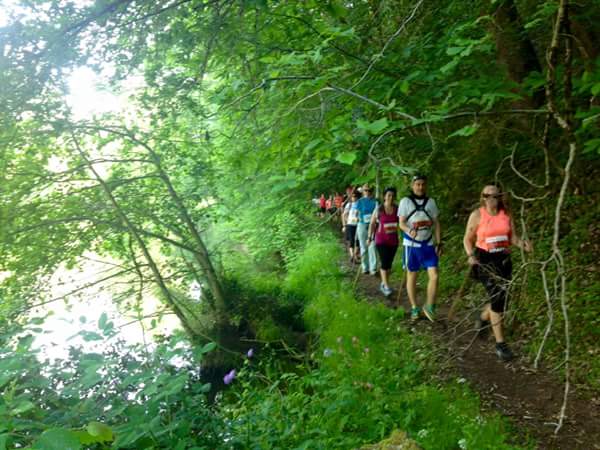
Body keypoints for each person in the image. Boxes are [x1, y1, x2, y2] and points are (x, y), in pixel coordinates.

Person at [463, 183, 532, 362]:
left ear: (500, 196)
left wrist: (523, 245)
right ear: (482, 197)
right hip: (485, 261)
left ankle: (483, 317)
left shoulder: (506, 215)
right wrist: (470, 255)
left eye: (495, 195)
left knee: (502, 298)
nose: (491, 199)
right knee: (497, 297)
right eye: (487, 196)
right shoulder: (477, 215)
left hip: (503, 261)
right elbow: (467, 239)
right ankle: (500, 345)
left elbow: (513, 238)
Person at [398, 174, 441, 322]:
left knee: (434, 275)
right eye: (417, 184)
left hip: (428, 244)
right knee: (412, 275)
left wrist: (439, 242)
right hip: (411, 245)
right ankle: (414, 307)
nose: (420, 187)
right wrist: (409, 231)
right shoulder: (405, 202)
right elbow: (401, 223)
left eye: (423, 184)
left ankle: (429, 306)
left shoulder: (431, 202)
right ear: (412, 185)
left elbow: (436, 223)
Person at [368, 187, 399, 296]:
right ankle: (386, 286)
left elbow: (403, 222)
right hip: (381, 240)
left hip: (393, 241)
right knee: (384, 262)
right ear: (384, 196)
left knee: (389, 265)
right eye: (389, 195)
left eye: (393, 195)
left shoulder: (397, 209)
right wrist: (369, 237)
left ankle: (384, 283)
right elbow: (372, 224)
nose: (391, 197)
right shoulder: (379, 209)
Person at [355, 184, 378, 275]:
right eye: (366, 190)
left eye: (369, 190)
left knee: (372, 246)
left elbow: (377, 213)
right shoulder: (360, 201)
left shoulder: (375, 201)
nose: (367, 192)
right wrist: (358, 219)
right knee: (363, 247)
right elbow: (358, 213)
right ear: (363, 191)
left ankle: (373, 268)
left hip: (373, 225)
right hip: (362, 225)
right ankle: (365, 267)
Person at [342, 190, 361, 263]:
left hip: (358, 224)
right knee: (351, 241)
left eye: (355, 196)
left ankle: (355, 255)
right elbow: (344, 215)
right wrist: (344, 225)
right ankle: (352, 256)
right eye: (353, 196)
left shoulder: (360, 204)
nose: (354, 198)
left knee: (358, 241)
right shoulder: (349, 205)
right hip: (350, 225)